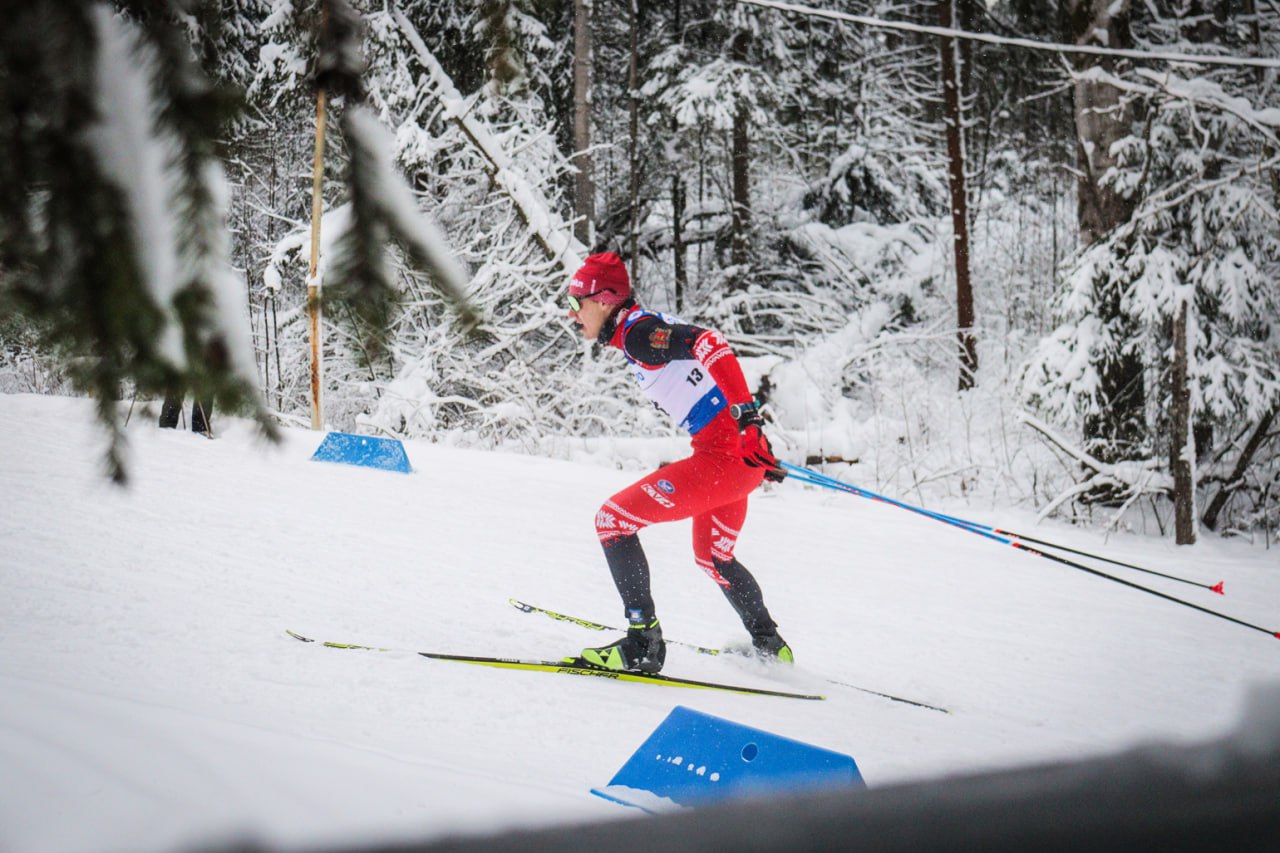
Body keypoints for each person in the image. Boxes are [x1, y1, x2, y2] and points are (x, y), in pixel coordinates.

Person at [566, 251, 791, 674]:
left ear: (603, 300)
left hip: (726, 455)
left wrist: (747, 418)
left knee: (612, 522)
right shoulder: (640, 329)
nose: (572, 314)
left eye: (577, 302)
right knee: (713, 556)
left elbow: (711, 343)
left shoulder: (638, 334)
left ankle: (642, 644)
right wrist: (747, 427)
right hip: (738, 457)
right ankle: (770, 646)